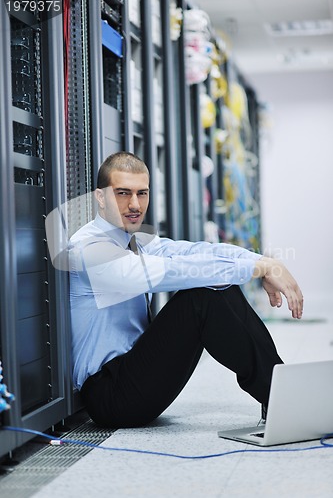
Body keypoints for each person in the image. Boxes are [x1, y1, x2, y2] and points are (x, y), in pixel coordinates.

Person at [68, 151, 303, 428]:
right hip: (110, 395)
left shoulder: (137, 240)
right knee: (201, 297)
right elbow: (173, 272)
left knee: (214, 284)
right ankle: (286, 400)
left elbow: (197, 251)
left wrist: (264, 262)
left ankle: (284, 395)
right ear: (100, 197)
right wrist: (258, 270)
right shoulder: (89, 248)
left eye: (142, 193)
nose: (134, 204)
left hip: (135, 373)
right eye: (122, 193)